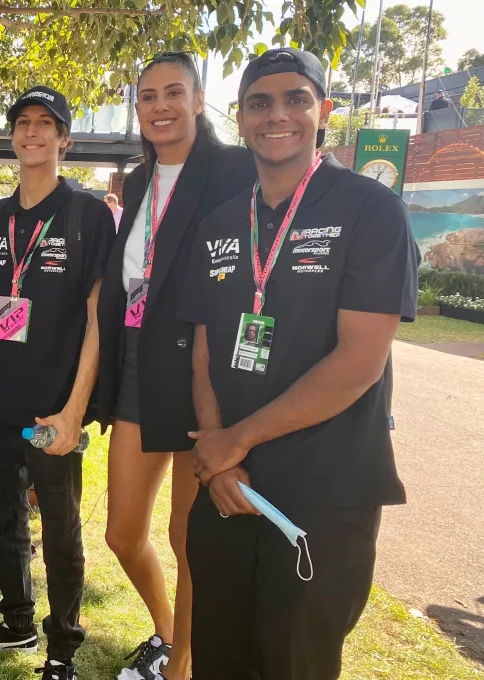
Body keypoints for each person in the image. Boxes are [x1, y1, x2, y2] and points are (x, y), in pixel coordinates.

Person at [178, 47, 417, 679]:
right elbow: (205, 343)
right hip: (227, 490)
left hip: (320, 496)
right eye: (259, 102)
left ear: (325, 111)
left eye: (295, 99)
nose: (275, 115)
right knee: (220, 662)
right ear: (240, 117)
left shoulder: (370, 210)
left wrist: (235, 441)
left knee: (294, 666)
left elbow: (360, 361)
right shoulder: (222, 224)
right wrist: (218, 451)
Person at [93, 51, 256, 680]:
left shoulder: (234, 169)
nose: (159, 106)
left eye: (173, 93)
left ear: (197, 98)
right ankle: (167, 632)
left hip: (203, 369)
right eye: (147, 96)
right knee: (121, 533)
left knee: (189, 537)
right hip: (138, 363)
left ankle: (179, 668)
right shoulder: (136, 181)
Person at [0, 86, 115, 680]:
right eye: (22, 122)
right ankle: (18, 618)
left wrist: (75, 410)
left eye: (45, 123)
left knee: (59, 524)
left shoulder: (87, 214)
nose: (32, 133)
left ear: (64, 138)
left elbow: (99, 317)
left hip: (56, 404)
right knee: (4, 517)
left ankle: (63, 643)